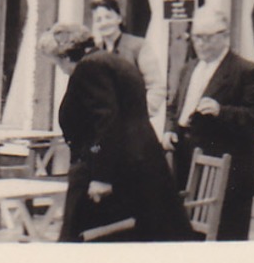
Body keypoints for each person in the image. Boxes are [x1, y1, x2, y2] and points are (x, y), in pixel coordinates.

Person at [39, 23, 190, 242]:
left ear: (64, 55)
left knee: (82, 240)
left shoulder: (90, 67)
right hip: (134, 164)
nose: (61, 69)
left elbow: (106, 123)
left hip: (115, 170)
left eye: (57, 63)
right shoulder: (110, 61)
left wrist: (101, 177)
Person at [166, 5, 254, 242]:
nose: (200, 44)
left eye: (207, 38)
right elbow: (174, 107)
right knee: (187, 239)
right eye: (196, 38)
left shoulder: (247, 71)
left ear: (225, 36)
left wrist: (221, 111)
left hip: (227, 174)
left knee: (225, 242)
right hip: (186, 165)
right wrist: (169, 130)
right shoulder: (189, 68)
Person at [89, 0, 165, 134]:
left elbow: (156, 87)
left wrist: (140, 115)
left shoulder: (138, 46)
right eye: (98, 20)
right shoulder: (95, 53)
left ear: (119, 19)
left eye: (108, 17)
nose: (104, 23)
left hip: (133, 129)